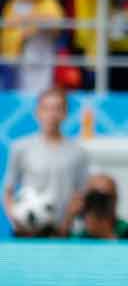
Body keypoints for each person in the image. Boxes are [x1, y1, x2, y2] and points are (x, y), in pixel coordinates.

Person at [3, 87, 88, 237]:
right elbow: (8, 190)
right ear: (38, 112)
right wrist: (16, 220)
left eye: (57, 109)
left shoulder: (77, 152)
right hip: (26, 231)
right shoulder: (21, 147)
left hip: (60, 231)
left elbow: (80, 194)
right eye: (47, 108)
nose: (52, 114)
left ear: (65, 113)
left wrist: (66, 224)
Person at [1, 0, 65, 93]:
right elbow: (8, 27)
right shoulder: (14, 2)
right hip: (14, 62)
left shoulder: (49, 1)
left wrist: (28, 20)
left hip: (41, 62)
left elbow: (56, 25)